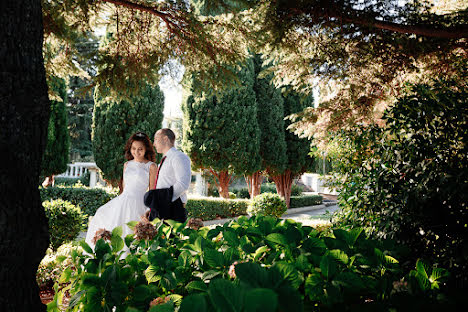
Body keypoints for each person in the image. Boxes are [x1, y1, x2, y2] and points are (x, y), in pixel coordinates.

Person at [85, 132, 157, 248]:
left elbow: (152, 191)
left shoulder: (151, 166)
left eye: (140, 149)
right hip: (123, 201)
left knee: (133, 233)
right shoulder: (127, 164)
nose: (136, 152)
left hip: (139, 203)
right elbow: (124, 188)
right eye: (134, 148)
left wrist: (151, 211)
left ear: (146, 150)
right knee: (102, 214)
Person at [144, 128, 191, 222]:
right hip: (161, 209)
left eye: (156, 139)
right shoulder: (164, 161)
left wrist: (160, 202)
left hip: (172, 209)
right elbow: (160, 185)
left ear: (165, 139)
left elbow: (183, 184)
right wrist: (153, 207)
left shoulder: (179, 157)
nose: (154, 144)